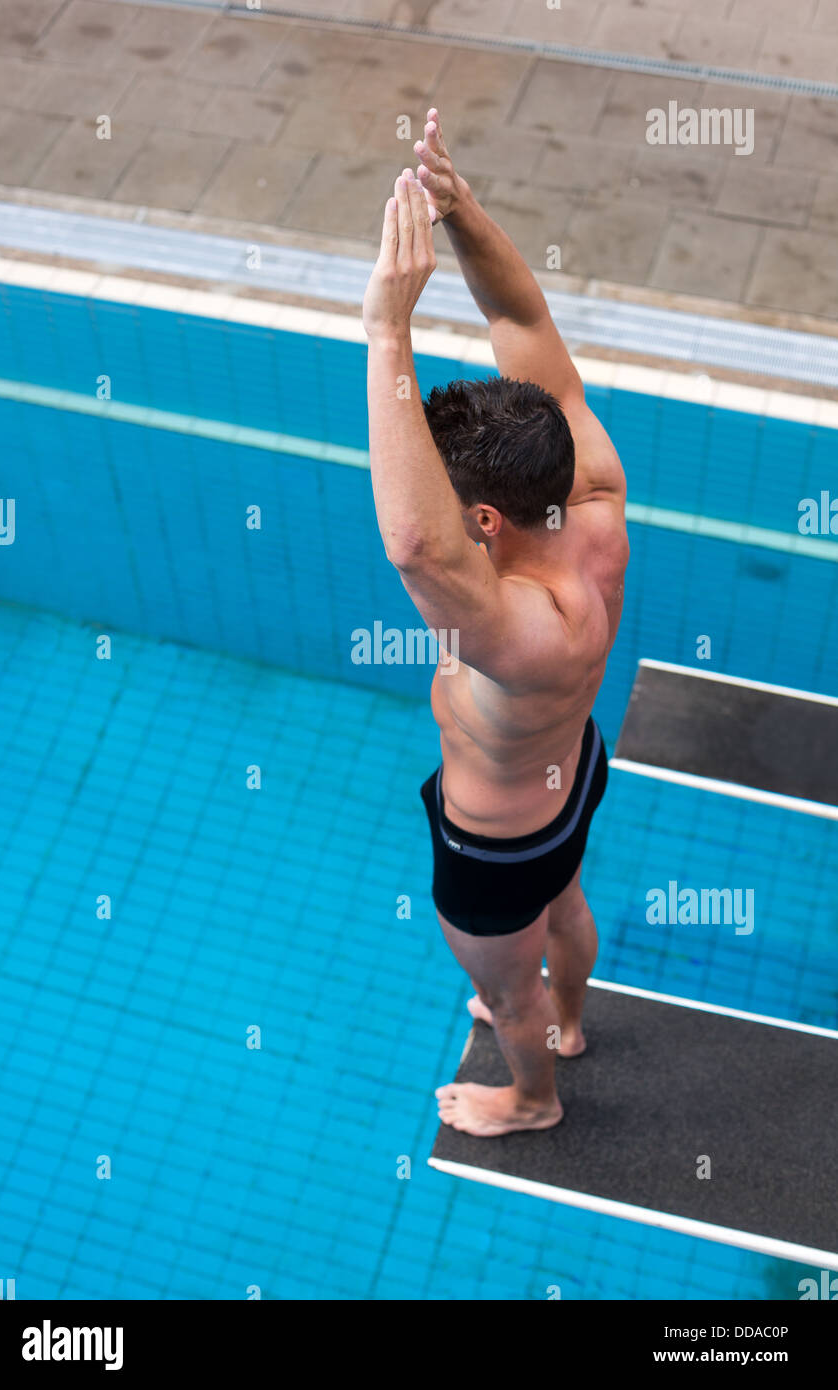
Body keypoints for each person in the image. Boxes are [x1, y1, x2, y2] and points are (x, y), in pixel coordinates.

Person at [362, 109, 629, 1138]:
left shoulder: (514, 625)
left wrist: (388, 327)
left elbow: (414, 547)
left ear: (482, 519)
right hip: (570, 775)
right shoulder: (588, 482)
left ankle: (532, 1093)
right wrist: (459, 211)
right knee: (563, 910)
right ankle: (566, 1020)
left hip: (495, 844)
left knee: (501, 985)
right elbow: (523, 321)